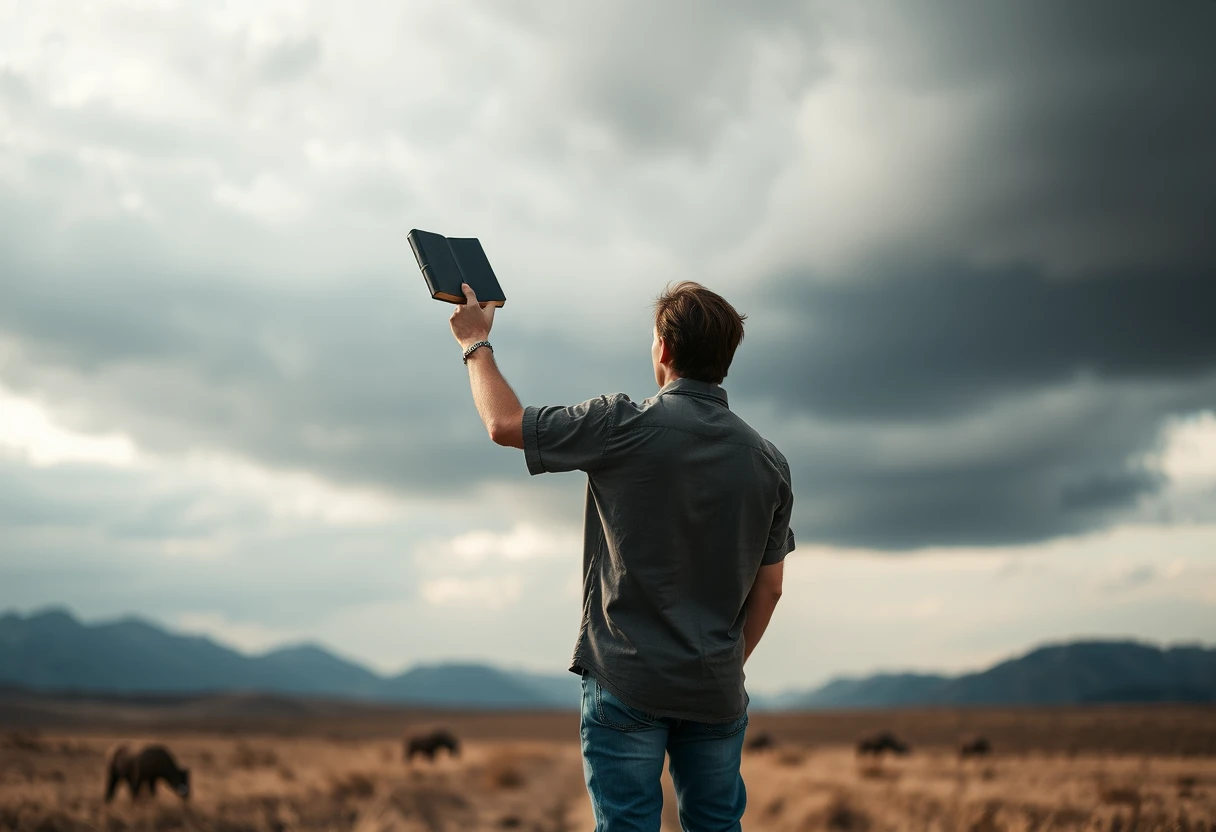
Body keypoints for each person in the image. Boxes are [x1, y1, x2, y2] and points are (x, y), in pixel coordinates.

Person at [449, 280, 793, 831]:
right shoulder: (769, 462)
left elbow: (504, 424)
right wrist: (722, 663)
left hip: (626, 677)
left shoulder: (621, 423)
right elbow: (770, 588)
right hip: (715, 687)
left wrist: (474, 344)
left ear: (663, 349)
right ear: (725, 359)